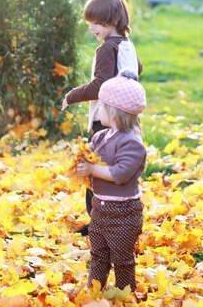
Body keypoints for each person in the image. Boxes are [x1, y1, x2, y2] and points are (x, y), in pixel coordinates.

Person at [62, 0, 143, 235]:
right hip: (127, 120)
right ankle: (121, 217)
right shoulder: (128, 46)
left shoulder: (107, 49)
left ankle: (98, 222)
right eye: (89, 23)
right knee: (120, 169)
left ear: (112, 21)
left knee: (94, 170)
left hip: (105, 122)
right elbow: (138, 70)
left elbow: (100, 85)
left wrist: (71, 95)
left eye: (96, 23)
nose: (91, 28)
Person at [76, 70, 146, 292]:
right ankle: (94, 289)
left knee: (122, 258)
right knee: (98, 254)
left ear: (115, 113)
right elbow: (92, 158)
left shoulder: (132, 143)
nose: (98, 111)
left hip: (124, 213)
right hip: (100, 210)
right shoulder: (100, 136)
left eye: (102, 107)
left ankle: (126, 292)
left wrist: (93, 168)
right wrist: (83, 163)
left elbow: (120, 173)